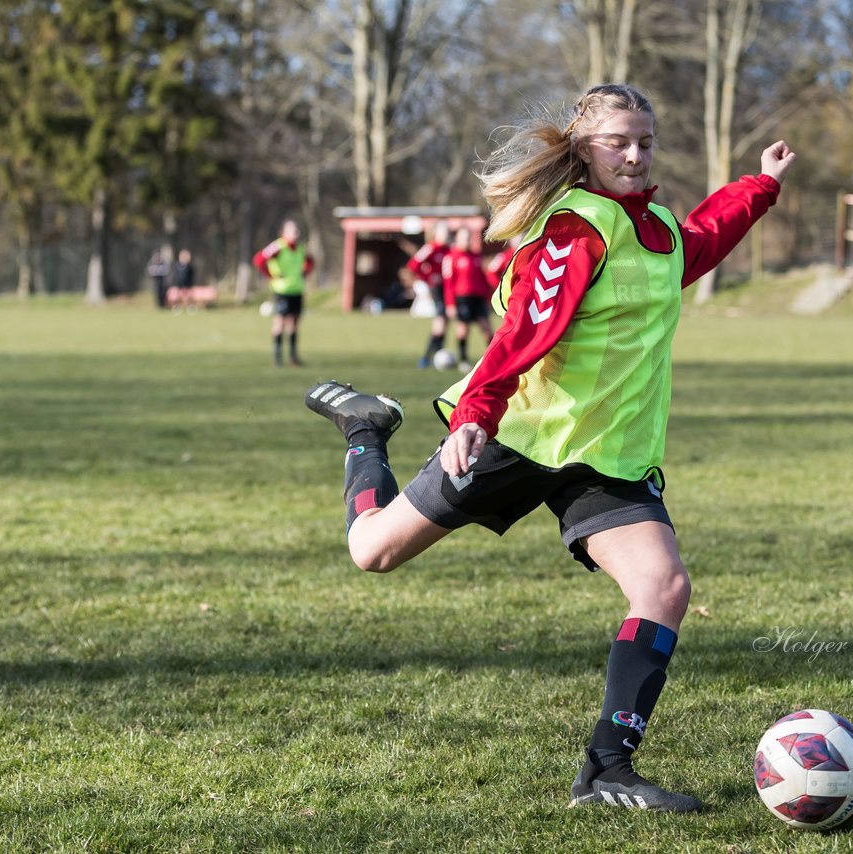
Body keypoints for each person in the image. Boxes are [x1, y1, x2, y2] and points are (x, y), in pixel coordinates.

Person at [304, 83, 795, 812]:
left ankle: (605, 771)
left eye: (646, 141)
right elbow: (525, 331)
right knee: (371, 550)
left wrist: (759, 186)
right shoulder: (574, 232)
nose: (634, 154)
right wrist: (476, 411)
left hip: (606, 458)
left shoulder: (653, 224)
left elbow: (693, 248)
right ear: (583, 148)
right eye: (617, 142)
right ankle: (366, 432)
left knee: (664, 588)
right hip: (519, 436)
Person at [253, 220, 313, 366]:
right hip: (282, 290)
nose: (296, 232)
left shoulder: (299, 248)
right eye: (292, 230)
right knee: (280, 322)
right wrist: (270, 275)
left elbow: (310, 261)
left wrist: (304, 273)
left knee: (294, 323)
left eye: (297, 229)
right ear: (284, 232)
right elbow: (259, 259)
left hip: (296, 290)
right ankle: (278, 358)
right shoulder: (277, 246)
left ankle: (293, 357)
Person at [440, 226, 495, 371]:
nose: (468, 240)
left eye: (470, 238)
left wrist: (487, 297)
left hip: (478, 298)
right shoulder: (451, 257)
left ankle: (494, 360)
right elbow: (448, 283)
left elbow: (483, 279)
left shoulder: (476, 256)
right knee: (463, 329)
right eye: (465, 237)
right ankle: (463, 360)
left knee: (487, 329)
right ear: (458, 239)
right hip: (462, 298)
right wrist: (450, 304)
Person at [407, 222, 452, 368]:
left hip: (448, 289)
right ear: (436, 233)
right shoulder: (431, 248)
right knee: (440, 320)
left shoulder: (449, 250)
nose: (447, 234)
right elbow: (413, 264)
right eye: (444, 231)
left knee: (445, 320)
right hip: (437, 288)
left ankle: (437, 353)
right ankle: (426, 357)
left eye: (448, 231)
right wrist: (428, 278)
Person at [172, 248, 196, 314]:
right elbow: (175, 275)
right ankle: (177, 308)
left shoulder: (189, 266)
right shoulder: (177, 266)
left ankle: (190, 308)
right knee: (178, 297)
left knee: (188, 297)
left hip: (187, 284)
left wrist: (190, 284)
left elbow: (191, 276)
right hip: (179, 284)